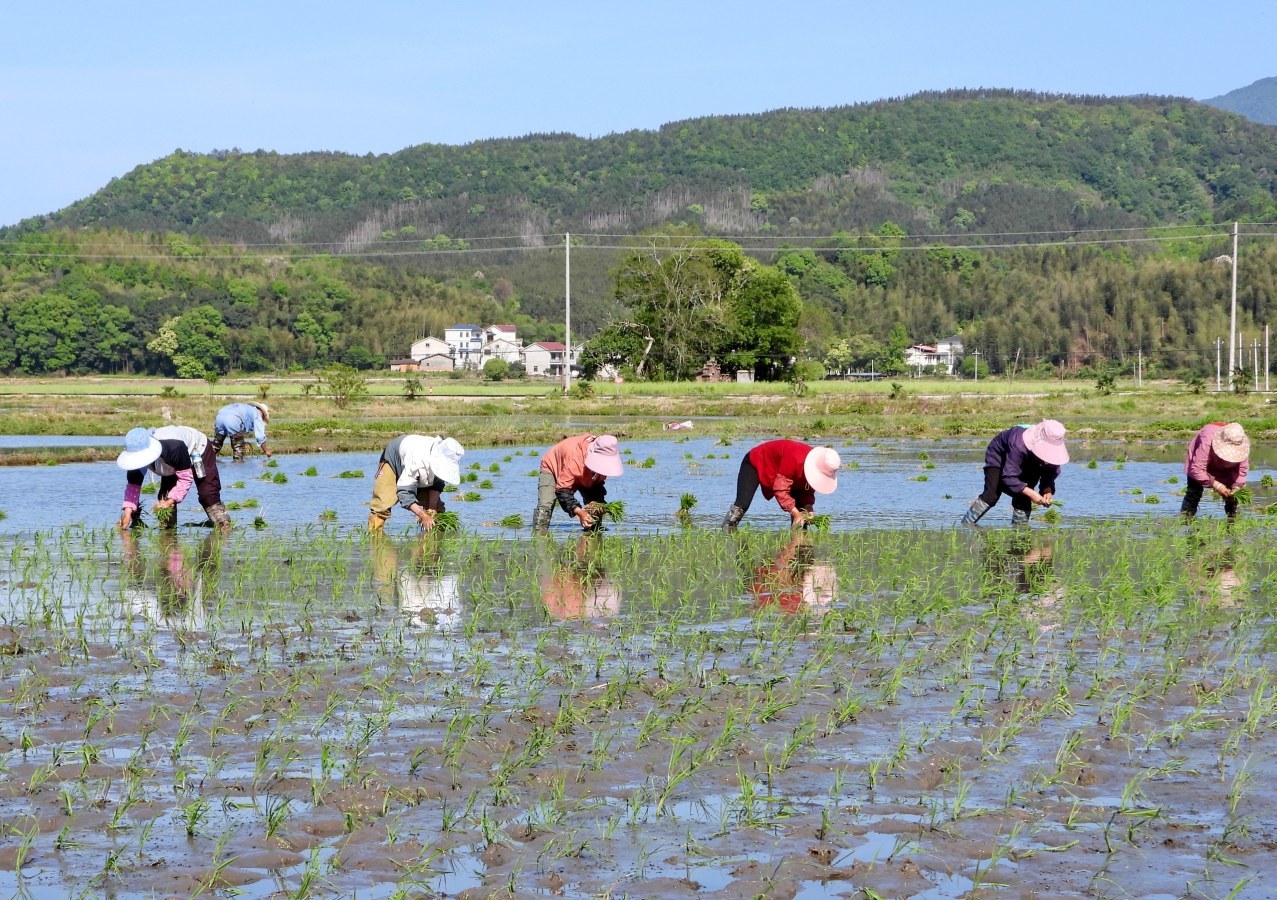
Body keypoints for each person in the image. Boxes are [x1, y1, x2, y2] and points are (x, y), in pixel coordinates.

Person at [117, 425, 231, 529]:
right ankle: (168, 533)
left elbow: (185, 478)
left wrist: (170, 501)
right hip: (169, 463)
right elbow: (133, 486)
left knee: (208, 494)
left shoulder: (174, 448)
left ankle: (224, 526)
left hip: (197, 449)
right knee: (164, 497)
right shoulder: (136, 462)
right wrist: (127, 512)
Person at [961, 420, 1069, 527]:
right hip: (999, 456)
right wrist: (1032, 493)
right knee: (991, 495)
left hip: (1030, 460)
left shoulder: (1052, 454)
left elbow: (1051, 472)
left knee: (1024, 499)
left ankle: (1019, 537)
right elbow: (1009, 477)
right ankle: (965, 527)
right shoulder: (1018, 442)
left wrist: (1047, 489)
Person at [722, 439, 841, 529]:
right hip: (756, 461)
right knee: (742, 504)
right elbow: (780, 489)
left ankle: (800, 552)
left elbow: (807, 490)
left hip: (786, 470)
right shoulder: (795, 458)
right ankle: (726, 535)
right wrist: (795, 513)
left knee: (802, 515)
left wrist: (809, 508)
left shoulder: (814, 468)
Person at [367, 434, 465, 531]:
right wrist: (422, 515)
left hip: (417, 464)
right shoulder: (417, 461)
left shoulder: (442, 463)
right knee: (382, 505)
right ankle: (375, 538)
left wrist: (431, 508)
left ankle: (430, 542)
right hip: (395, 458)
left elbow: (437, 485)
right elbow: (404, 494)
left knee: (436, 511)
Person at [533, 434, 624, 532]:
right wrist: (579, 512)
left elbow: (596, 489)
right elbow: (562, 491)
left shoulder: (604, 466)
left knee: (595, 505)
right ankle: (539, 536)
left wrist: (600, 505)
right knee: (545, 505)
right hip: (552, 467)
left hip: (582, 472)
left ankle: (593, 535)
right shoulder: (575, 458)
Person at [1181, 422, 1249, 521]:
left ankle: (1233, 521)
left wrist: (1237, 486)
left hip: (1228, 469)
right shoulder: (1207, 439)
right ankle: (1185, 520)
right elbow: (1197, 469)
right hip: (1203, 462)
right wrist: (1217, 485)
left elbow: (1241, 471)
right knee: (1194, 493)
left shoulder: (1241, 442)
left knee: (1233, 497)